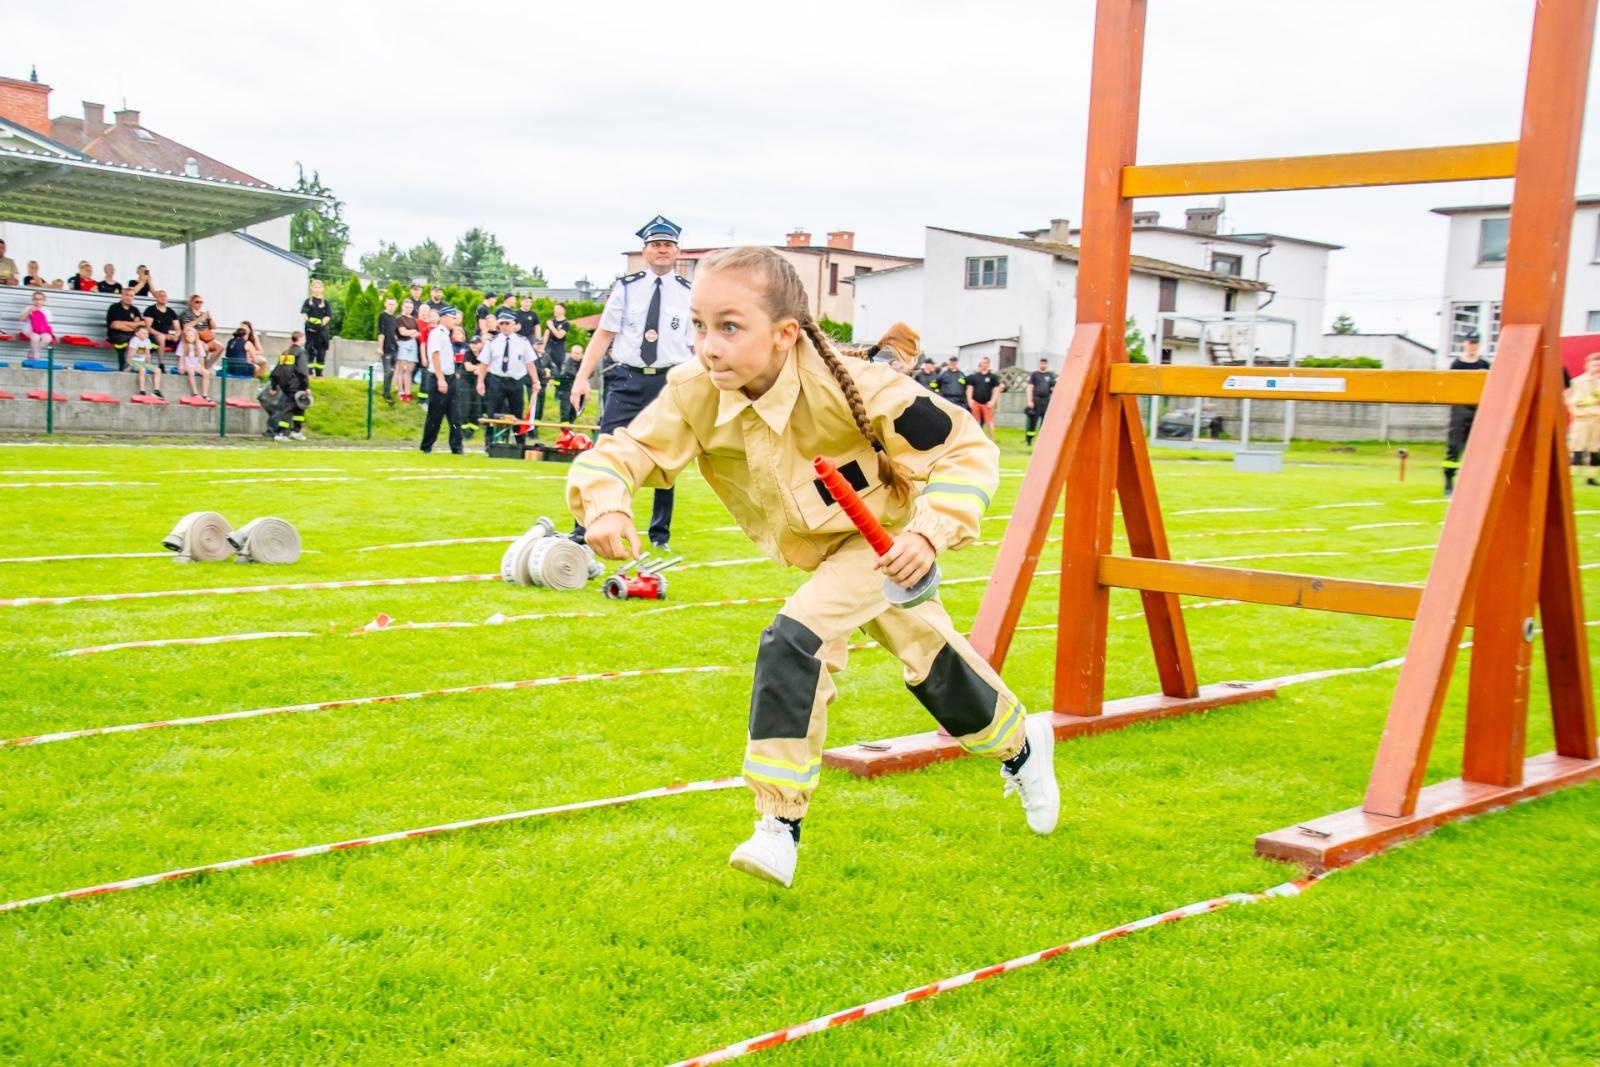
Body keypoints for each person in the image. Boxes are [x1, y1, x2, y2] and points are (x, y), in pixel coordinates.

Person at [567, 246, 1058, 889]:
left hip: (881, 544)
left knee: (793, 641)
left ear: (785, 334)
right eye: (698, 325)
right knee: (934, 667)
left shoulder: (858, 386)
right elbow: (623, 451)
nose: (708, 346)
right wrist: (606, 506)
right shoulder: (693, 391)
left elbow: (965, 450)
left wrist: (931, 533)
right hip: (822, 554)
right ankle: (1022, 745)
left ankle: (777, 825)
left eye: (730, 326)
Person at [569, 215, 696, 553]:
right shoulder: (626, 287)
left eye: (668, 245)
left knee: (666, 456)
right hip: (627, 377)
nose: (662, 250)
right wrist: (582, 377)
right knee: (605, 449)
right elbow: (604, 334)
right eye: (656, 245)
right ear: (645, 251)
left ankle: (660, 534)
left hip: (670, 380)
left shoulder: (689, 293)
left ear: (677, 251)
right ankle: (585, 526)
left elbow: (698, 343)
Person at [477, 309, 539, 448]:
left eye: (508, 323)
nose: (505, 326)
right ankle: (489, 444)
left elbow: (530, 363)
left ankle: (520, 444)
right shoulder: (493, 341)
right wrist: (480, 382)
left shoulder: (522, 341)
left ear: (514, 325)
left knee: (517, 414)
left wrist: (535, 381)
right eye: (502, 323)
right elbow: (484, 363)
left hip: (515, 381)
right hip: (496, 380)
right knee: (493, 413)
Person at [1442, 334, 1490, 497]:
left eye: (1475, 343)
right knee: (1454, 446)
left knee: (1478, 447)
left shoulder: (1484, 364)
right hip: (1460, 408)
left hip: (1479, 408)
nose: (1473, 346)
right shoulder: (1457, 363)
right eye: (1470, 343)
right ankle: (1448, 481)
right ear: (1464, 344)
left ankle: (1473, 485)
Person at [419, 305, 464, 454]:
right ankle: (426, 446)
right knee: (435, 416)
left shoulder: (446, 334)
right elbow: (435, 355)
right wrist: (440, 379)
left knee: (455, 416)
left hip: (450, 378)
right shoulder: (437, 333)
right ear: (444, 318)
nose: (455, 321)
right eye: (453, 318)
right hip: (440, 377)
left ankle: (457, 448)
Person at [1566, 351, 1600, 487]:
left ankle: (1590, 478)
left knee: (1595, 450)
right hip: (1582, 420)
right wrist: (1583, 406)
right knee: (1577, 449)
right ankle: (1569, 476)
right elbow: (1570, 400)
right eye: (1595, 365)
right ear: (1587, 366)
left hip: (1597, 420)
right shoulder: (1577, 382)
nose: (1597, 368)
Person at [269, 350, 310, 441]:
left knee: (299, 409)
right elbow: (303, 372)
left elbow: (276, 372)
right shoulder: (300, 354)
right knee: (289, 409)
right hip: (296, 386)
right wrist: (307, 386)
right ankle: (280, 433)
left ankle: (296, 431)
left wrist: (274, 386)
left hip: (287, 385)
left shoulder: (286, 355)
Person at [104, 289, 144, 371]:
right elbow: (115, 325)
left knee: (146, 340)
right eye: (127, 295)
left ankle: (139, 365)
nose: (129, 298)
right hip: (116, 335)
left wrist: (124, 323)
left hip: (131, 335)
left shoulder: (134, 309)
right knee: (128, 340)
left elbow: (142, 324)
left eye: (131, 296)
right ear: (122, 296)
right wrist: (134, 326)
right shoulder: (114, 307)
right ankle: (125, 366)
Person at [965, 356, 1003, 439]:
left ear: (988, 364)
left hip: (987, 403)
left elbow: (996, 390)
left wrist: (992, 401)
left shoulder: (993, 377)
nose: (983, 364)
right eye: (982, 363)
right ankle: (976, 439)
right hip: (975, 402)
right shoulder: (974, 376)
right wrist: (970, 400)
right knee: (976, 422)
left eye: (985, 363)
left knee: (989, 422)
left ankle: (991, 440)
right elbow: (970, 389)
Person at [300, 279, 332, 377]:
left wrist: (320, 326)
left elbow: (328, 316)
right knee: (310, 351)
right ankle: (309, 372)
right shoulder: (307, 302)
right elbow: (305, 314)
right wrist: (310, 325)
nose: (317, 289)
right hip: (310, 332)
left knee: (321, 353)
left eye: (318, 287)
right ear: (311, 288)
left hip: (322, 333)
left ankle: (319, 373)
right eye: (315, 287)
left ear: (322, 289)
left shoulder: (325, 303)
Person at [179, 294, 223, 363]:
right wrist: (198, 320)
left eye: (201, 302)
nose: (199, 304)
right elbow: (186, 327)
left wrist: (210, 318)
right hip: (194, 338)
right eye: (197, 302)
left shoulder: (203, 314)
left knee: (220, 347)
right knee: (205, 348)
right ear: (191, 302)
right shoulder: (186, 313)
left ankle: (207, 366)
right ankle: (201, 367)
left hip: (207, 338)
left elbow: (214, 327)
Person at [174, 325, 213, 400]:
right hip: (187, 365)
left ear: (195, 336)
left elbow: (201, 357)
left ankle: (205, 394)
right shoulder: (182, 344)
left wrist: (201, 367)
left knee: (206, 373)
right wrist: (181, 366)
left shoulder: (198, 344)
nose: (190, 338)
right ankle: (195, 393)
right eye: (188, 336)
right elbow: (181, 357)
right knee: (191, 372)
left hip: (196, 365)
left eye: (191, 336)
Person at [1024, 358, 1056, 448]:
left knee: (1045, 422)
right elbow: (1030, 388)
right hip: (1036, 400)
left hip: (1046, 401)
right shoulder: (1034, 375)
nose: (1043, 365)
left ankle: (1042, 441)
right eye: (1041, 363)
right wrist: (1030, 401)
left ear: (1047, 364)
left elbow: (1053, 389)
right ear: (1039, 364)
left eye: (1045, 363)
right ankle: (1029, 440)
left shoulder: (1049, 375)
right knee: (1033, 422)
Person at [143, 290, 182, 365]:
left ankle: (181, 366)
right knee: (161, 337)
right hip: (152, 335)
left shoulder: (171, 311)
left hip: (167, 336)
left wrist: (176, 335)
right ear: (156, 298)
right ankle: (161, 364)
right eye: (160, 296)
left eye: (165, 296)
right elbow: (148, 327)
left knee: (185, 339)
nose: (163, 298)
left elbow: (178, 329)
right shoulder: (151, 310)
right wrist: (164, 335)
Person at [127, 324, 164, 397]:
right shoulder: (134, 340)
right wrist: (129, 365)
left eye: (147, 333)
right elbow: (130, 354)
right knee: (142, 370)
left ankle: (156, 390)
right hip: (134, 361)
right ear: (137, 334)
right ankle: (142, 391)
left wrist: (149, 366)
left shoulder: (147, 341)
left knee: (158, 370)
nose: (145, 335)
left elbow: (148, 354)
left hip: (142, 362)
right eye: (143, 333)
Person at [395, 298, 420, 402]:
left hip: (412, 344)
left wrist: (411, 332)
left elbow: (418, 333)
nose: (408, 309)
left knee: (409, 369)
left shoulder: (414, 319)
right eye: (406, 307)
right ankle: (400, 391)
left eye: (410, 307)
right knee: (401, 368)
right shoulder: (399, 318)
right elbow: (402, 332)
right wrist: (412, 332)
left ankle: (407, 392)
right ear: (402, 307)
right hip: (402, 344)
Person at [17, 290, 54, 359]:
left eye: (40, 299)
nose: (38, 301)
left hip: (42, 330)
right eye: (36, 299)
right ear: (33, 300)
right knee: (35, 337)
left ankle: (32, 351)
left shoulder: (46, 310)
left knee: (47, 338)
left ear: (44, 300)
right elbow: (20, 319)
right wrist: (29, 311)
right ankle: (36, 354)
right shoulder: (28, 308)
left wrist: (49, 332)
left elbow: (47, 323)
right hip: (29, 329)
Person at [377, 296, 400, 402]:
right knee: (387, 371)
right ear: (385, 304)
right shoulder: (382, 316)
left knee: (392, 371)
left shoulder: (394, 317)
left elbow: (394, 333)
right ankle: (386, 394)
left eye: (393, 304)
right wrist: (380, 347)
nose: (391, 306)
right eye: (389, 304)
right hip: (386, 349)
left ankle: (387, 391)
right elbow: (381, 333)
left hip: (394, 348)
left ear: (396, 306)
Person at [555, 342, 584, 423]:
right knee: (565, 412)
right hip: (566, 390)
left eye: (578, 353)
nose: (576, 355)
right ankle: (564, 432)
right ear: (571, 353)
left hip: (578, 391)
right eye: (574, 353)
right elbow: (569, 373)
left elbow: (592, 372)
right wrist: (582, 375)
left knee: (574, 412)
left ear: (582, 354)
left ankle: (570, 430)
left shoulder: (583, 363)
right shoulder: (567, 363)